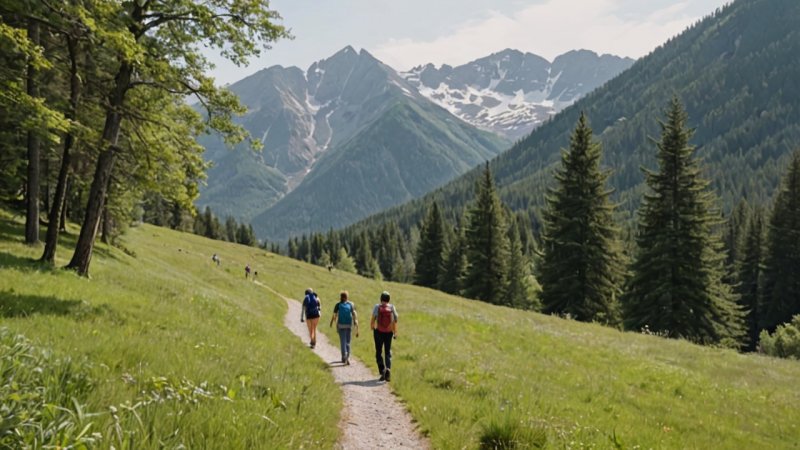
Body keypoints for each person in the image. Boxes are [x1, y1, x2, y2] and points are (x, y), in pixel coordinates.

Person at [370, 291, 398, 382]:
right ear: (389, 299)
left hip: (379, 332)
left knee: (378, 352)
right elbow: (395, 319)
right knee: (387, 352)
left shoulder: (377, 307)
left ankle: (382, 371)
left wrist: (372, 327)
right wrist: (395, 332)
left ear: (381, 299)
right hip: (389, 332)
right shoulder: (392, 307)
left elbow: (373, 318)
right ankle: (388, 369)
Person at [330, 290, 358, 364]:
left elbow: (334, 316)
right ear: (347, 297)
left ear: (341, 297)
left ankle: (343, 356)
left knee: (343, 341)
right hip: (349, 325)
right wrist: (355, 323)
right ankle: (347, 356)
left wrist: (333, 323)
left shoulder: (338, 305)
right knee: (348, 341)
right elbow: (354, 314)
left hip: (341, 325)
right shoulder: (350, 304)